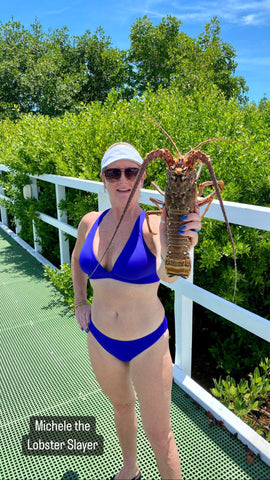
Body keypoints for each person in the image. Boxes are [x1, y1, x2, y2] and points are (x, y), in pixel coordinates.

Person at [71, 142, 201, 480]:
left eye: (133, 171)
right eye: (114, 173)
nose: (123, 180)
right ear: (103, 179)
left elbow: (167, 273)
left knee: (159, 434)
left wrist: (184, 242)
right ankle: (130, 469)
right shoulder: (89, 222)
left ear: (143, 177)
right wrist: (80, 301)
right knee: (121, 406)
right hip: (100, 339)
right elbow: (76, 261)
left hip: (148, 344)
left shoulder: (155, 223)